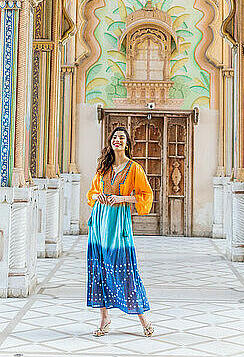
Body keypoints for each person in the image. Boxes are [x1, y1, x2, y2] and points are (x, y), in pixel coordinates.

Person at [86, 126, 154, 338]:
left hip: (118, 223)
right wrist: (99, 197)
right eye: (114, 137)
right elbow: (92, 193)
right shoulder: (103, 167)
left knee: (125, 270)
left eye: (121, 138)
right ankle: (104, 318)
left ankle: (143, 319)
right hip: (99, 221)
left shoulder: (134, 169)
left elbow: (146, 196)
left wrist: (121, 199)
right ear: (110, 141)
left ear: (127, 143)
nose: (117, 140)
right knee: (100, 269)